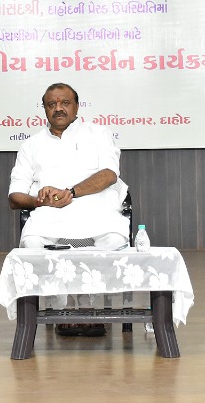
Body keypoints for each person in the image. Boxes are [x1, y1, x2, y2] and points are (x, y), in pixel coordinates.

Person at [9, 81, 129, 337]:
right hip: (50, 212)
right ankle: (61, 310)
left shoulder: (99, 133)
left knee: (114, 239)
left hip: (96, 207)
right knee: (32, 242)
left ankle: (91, 309)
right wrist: (40, 201)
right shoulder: (31, 145)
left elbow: (109, 174)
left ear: (76, 106)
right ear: (44, 109)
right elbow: (15, 196)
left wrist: (71, 192)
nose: (58, 109)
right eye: (51, 104)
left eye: (65, 103)